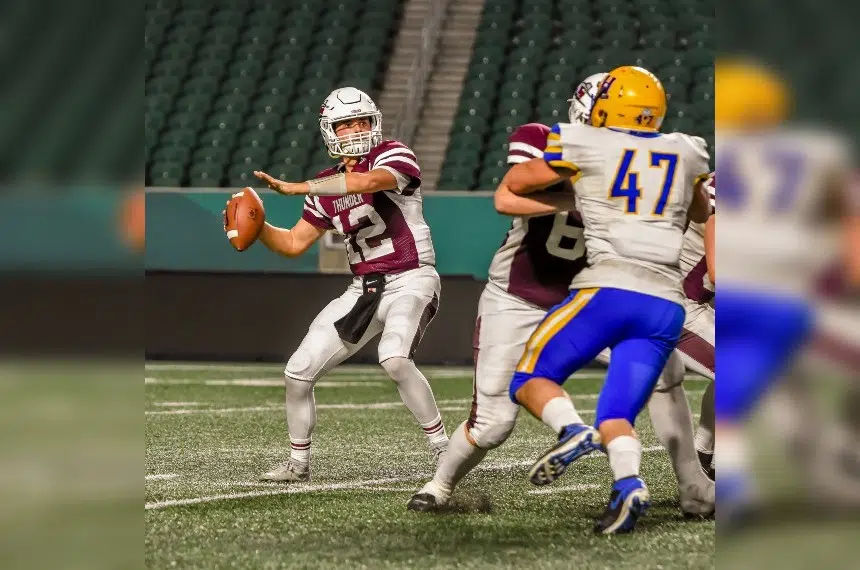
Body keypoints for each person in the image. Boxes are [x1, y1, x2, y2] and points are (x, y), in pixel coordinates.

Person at [408, 72, 713, 519]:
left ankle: (692, 485)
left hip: (594, 293)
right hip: (520, 296)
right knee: (493, 425)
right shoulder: (549, 141)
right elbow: (508, 197)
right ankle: (440, 483)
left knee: (666, 377)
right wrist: (585, 198)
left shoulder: (634, 159)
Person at [502, 66, 712, 534]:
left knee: (530, 377)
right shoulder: (686, 147)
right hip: (665, 304)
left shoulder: (582, 140)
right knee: (617, 412)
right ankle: (628, 485)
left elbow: (517, 183)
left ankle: (572, 431)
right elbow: (701, 209)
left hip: (609, 288)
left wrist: (577, 182)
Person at [239, 87, 448, 482]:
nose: (355, 129)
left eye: (361, 121)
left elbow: (365, 183)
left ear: (375, 124)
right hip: (364, 290)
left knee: (395, 358)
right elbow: (295, 242)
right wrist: (257, 225)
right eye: (345, 123)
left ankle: (443, 449)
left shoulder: (393, 154)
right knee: (297, 373)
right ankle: (298, 464)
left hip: (412, 278)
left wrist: (298, 187)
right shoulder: (324, 187)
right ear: (329, 131)